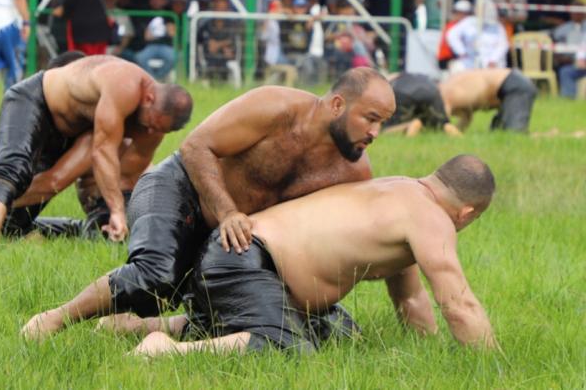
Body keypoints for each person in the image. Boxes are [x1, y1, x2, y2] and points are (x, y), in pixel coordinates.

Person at [20, 68, 397, 340]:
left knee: (279, 318)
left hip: (236, 237)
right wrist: (229, 211)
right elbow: (196, 146)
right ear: (336, 104)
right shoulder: (276, 107)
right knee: (156, 277)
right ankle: (56, 318)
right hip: (180, 187)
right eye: (371, 118)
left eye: (383, 123)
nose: (375, 133)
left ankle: (132, 327)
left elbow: (348, 234)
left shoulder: (354, 173)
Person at [130, 155, 498, 355]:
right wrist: (490, 364)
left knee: (336, 332)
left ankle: (134, 326)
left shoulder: (403, 194)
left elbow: (410, 296)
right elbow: (458, 304)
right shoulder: (432, 218)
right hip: (245, 259)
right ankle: (163, 350)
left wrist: (427, 347)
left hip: (237, 258)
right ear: (467, 213)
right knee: (289, 346)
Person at [0, 54, 193, 250]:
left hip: (73, 132)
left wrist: (116, 212)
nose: (151, 131)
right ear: (149, 98)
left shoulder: (151, 126)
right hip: (36, 101)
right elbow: (101, 153)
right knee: (13, 173)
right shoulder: (124, 86)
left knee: (14, 222)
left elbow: (127, 177)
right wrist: (116, 210)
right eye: (152, 123)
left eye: (160, 130)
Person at [0, 126, 162, 241]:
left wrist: (0, 200)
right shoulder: (104, 134)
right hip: (117, 221)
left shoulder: (94, 139)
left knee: (0, 214)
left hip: (122, 224)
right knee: (56, 227)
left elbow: (52, 183)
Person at [440, 68, 537, 132]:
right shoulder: (449, 88)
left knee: (515, 134)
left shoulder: (443, 95)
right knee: (498, 133)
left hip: (512, 84)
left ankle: (549, 135)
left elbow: (442, 126)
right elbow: (466, 117)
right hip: (509, 84)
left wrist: (456, 135)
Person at [383, 73, 461, 137]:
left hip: (404, 93)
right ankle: (452, 131)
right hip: (431, 90)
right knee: (442, 124)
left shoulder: (386, 83)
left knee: (386, 130)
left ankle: (410, 125)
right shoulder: (409, 76)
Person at [446, 0, 509, 70]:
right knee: (457, 68)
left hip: (492, 63)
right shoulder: (468, 22)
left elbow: (503, 45)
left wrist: (493, 60)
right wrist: (461, 51)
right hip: (470, 60)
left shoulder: (498, 27)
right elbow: (452, 35)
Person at [134, 0, 177, 81]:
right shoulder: (145, 14)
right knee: (140, 57)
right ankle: (152, 79)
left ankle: (157, 79)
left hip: (166, 45)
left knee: (173, 57)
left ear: (164, 1)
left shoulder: (169, 14)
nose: (155, 1)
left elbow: (172, 33)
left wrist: (169, 31)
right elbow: (146, 36)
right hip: (150, 45)